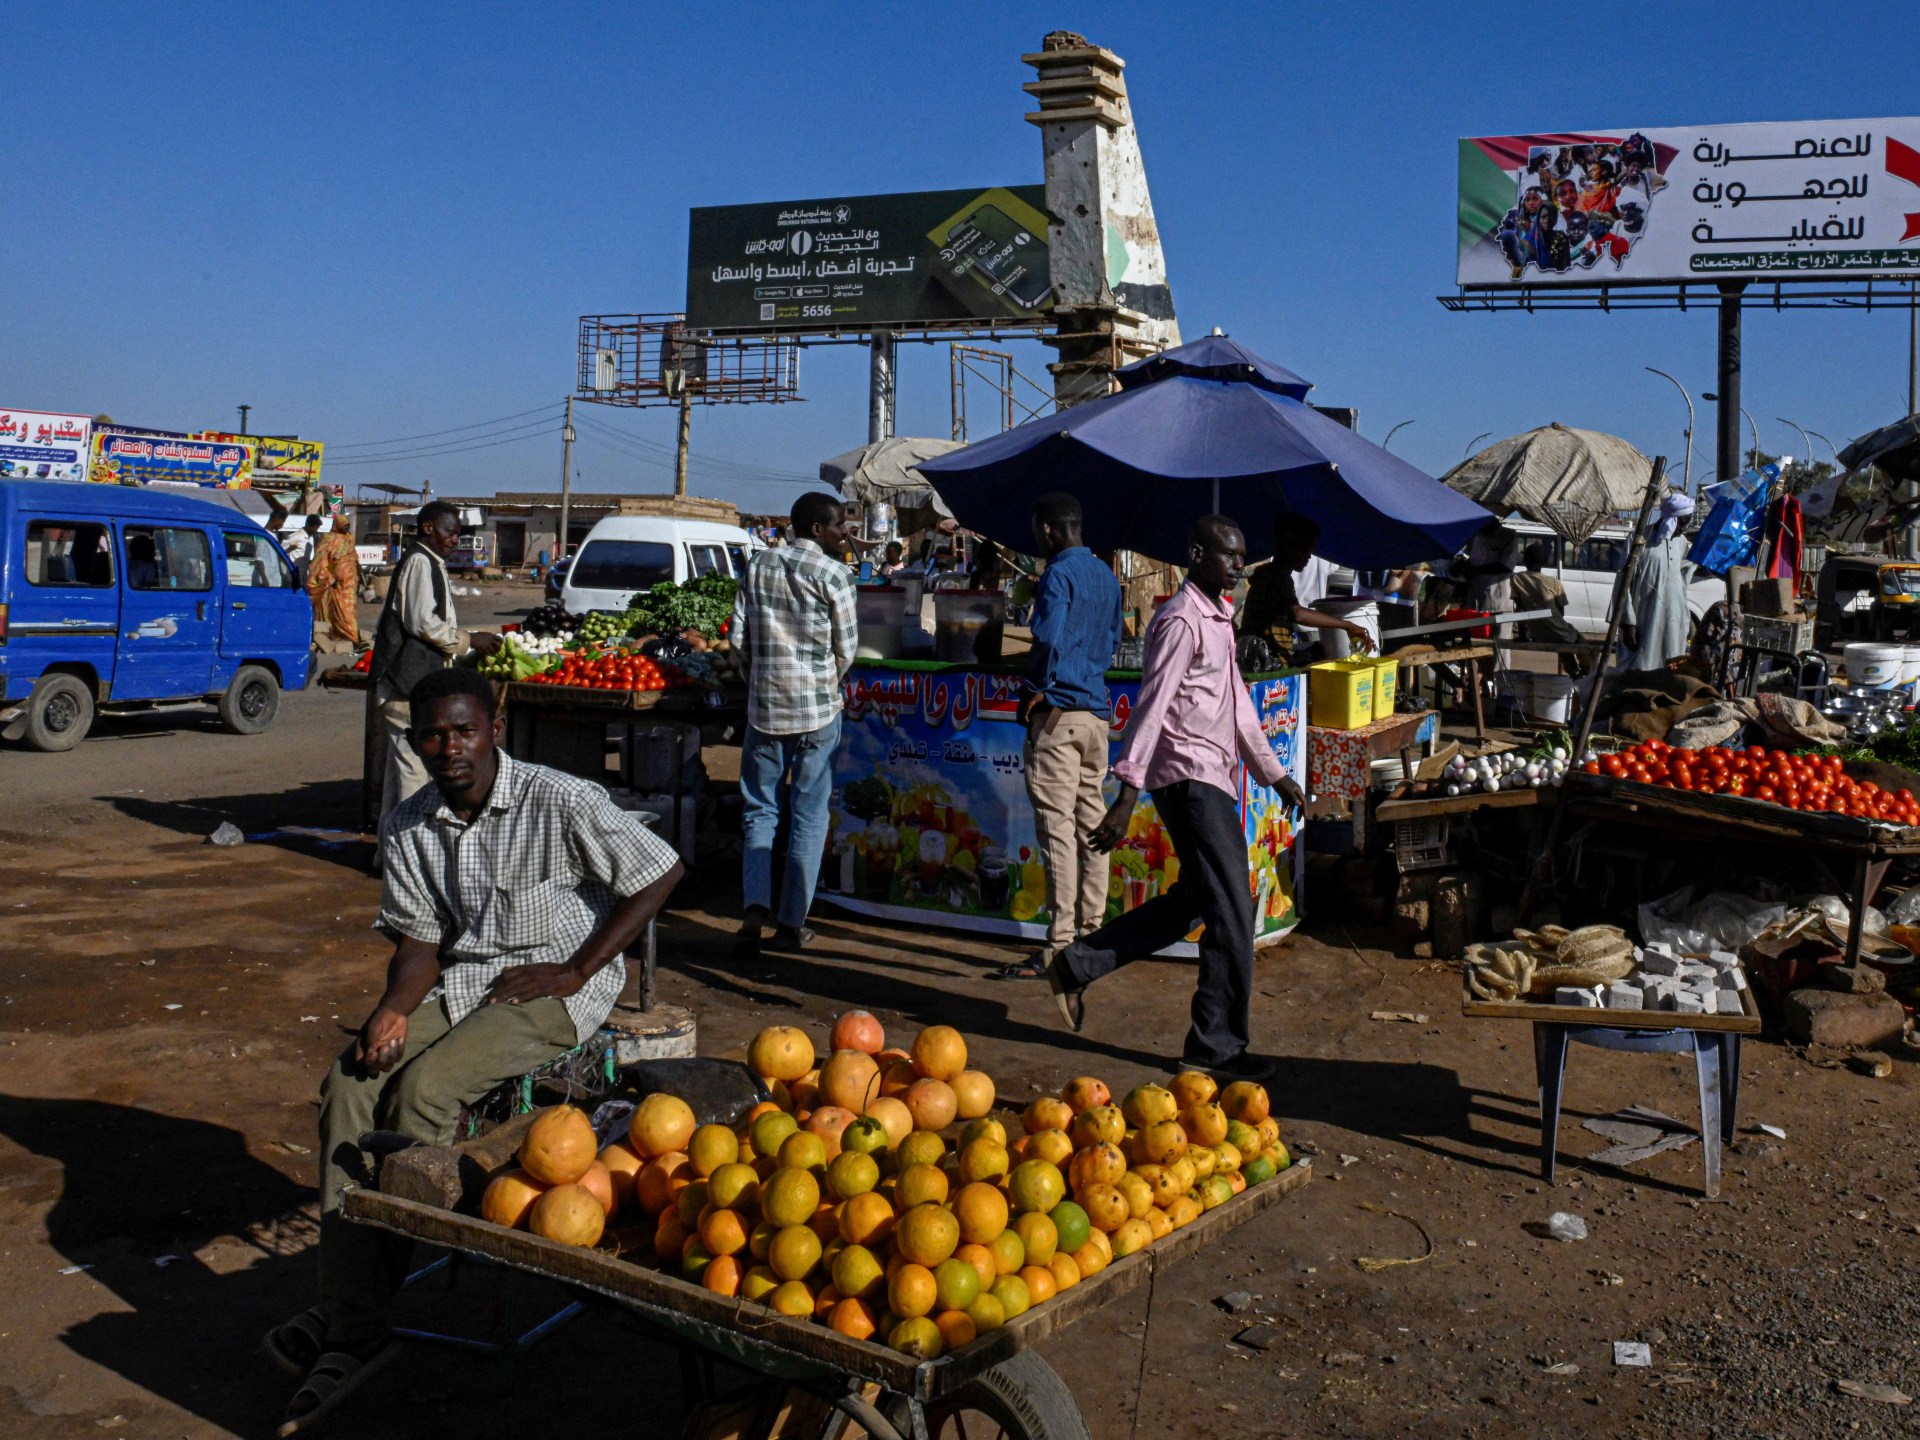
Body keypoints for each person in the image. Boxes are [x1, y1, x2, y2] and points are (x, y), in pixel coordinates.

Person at [264, 666, 682, 1432]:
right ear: (416, 740)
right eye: (433, 734)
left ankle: (353, 1322)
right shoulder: (411, 821)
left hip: (554, 991)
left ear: (494, 727)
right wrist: (390, 1010)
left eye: (463, 730)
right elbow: (422, 941)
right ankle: (353, 1299)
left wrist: (582, 965)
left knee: (424, 1091)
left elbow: (660, 870)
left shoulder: (561, 799)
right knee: (352, 1082)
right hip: (462, 981)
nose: (449, 747)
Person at [1043, 516, 1307, 1081]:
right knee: (1233, 914)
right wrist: (1126, 791)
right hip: (1187, 781)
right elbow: (1152, 705)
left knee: (1197, 900)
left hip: (1211, 775)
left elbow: (1236, 702)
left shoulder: (1219, 618)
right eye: (1227, 555)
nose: (1238, 565)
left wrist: (1274, 773)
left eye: (1241, 556)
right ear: (1196, 555)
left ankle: (1076, 965)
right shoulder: (1181, 621)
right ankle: (1214, 1048)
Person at [989, 493, 1123, 981]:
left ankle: (1062, 942)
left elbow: (1045, 640)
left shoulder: (1057, 576)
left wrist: (1038, 690)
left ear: (1048, 530)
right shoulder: (1107, 576)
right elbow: (1110, 642)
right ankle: (1092, 933)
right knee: (1092, 825)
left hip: (1058, 714)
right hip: (1096, 715)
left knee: (1057, 830)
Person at [732, 491, 858, 956]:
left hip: (764, 710)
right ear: (819, 530)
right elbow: (846, 648)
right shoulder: (835, 575)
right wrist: (823, 683)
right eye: (841, 525)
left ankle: (753, 911)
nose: (846, 532)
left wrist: (759, 680)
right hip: (818, 713)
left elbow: (738, 638)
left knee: (760, 812)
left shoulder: (759, 564)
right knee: (809, 816)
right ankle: (791, 924)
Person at [368, 501, 490, 829]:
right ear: (428, 529)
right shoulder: (420, 562)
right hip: (407, 684)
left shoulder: (429, 562)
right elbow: (421, 622)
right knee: (414, 774)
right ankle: (411, 848)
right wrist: (468, 640)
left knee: (400, 775)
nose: (455, 539)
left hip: (411, 683)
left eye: (458, 534)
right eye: (450, 532)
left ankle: (388, 852)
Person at [1235, 514, 1375, 665]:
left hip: (1267, 659)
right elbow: (1298, 613)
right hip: (1260, 662)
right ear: (1288, 545)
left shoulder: (1277, 575)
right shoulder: (1275, 576)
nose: (1309, 556)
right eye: (1305, 548)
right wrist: (1347, 625)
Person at [1622, 493, 1696, 671]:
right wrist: (1628, 622)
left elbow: (1685, 573)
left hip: (1674, 617)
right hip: (1645, 616)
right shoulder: (1639, 539)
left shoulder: (1682, 543)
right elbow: (1623, 582)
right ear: (1672, 519)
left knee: (1671, 664)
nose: (1684, 528)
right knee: (1641, 666)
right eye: (1683, 522)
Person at [307, 514, 363, 651]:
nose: (347, 528)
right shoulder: (328, 539)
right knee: (341, 610)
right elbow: (319, 562)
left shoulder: (349, 538)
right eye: (344, 525)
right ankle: (350, 637)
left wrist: (358, 568)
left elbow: (353, 556)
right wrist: (329, 579)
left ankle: (350, 637)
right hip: (335, 584)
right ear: (337, 524)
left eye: (348, 525)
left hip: (349, 583)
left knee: (350, 609)